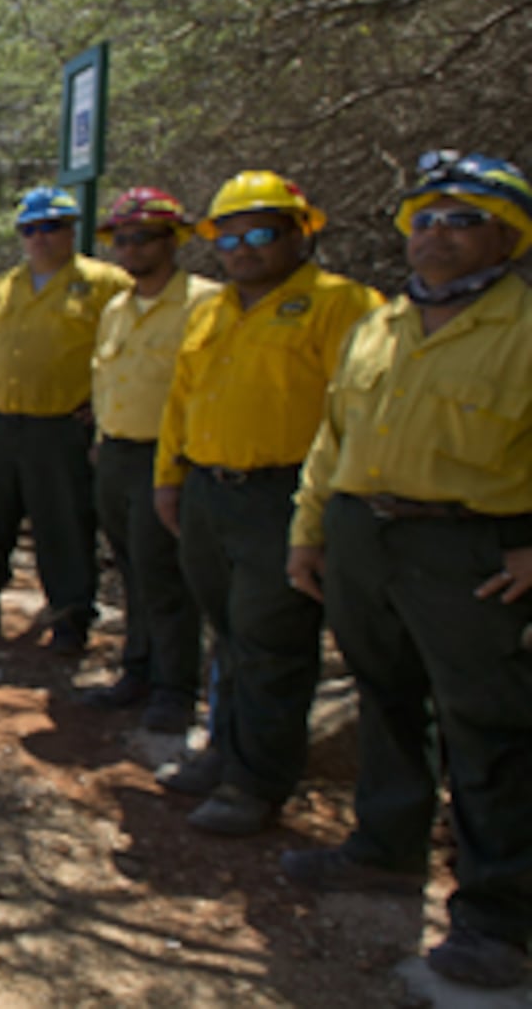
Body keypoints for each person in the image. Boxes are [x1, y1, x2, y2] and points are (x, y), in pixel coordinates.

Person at [281, 153, 532, 989]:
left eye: (463, 219)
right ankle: (385, 849)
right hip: (362, 535)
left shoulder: (522, 326)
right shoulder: (380, 325)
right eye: (426, 218)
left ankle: (496, 920)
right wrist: (309, 531)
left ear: (506, 235)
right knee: (387, 698)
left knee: (488, 730)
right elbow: (333, 438)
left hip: (468, 547)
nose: (437, 234)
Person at [152, 170, 381, 837]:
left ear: (297, 233)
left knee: (272, 641)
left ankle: (256, 782)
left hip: (285, 495)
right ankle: (224, 750)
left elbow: (358, 411)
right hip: (207, 490)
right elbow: (181, 400)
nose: (243, 248)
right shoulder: (212, 310)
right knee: (228, 632)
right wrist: (171, 476)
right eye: (228, 236)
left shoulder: (343, 305)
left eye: (260, 233)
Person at [0, 187, 134, 651]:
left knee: (65, 524)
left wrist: (103, 404)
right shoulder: (1, 287)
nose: (41, 238)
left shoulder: (106, 283)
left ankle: (71, 614)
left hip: (59, 427)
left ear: (73, 231)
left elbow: (128, 348)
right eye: (30, 229)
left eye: (52, 227)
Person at [82, 187, 221, 733]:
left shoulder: (204, 303)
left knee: (167, 578)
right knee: (133, 572)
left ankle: (175, 689)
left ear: (173, 240)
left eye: (144, 238)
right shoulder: (117, 307)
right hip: (116, 454)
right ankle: (136, 671)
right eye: (123, 239)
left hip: (168, 461)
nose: (132, 248)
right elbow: (104, 375)